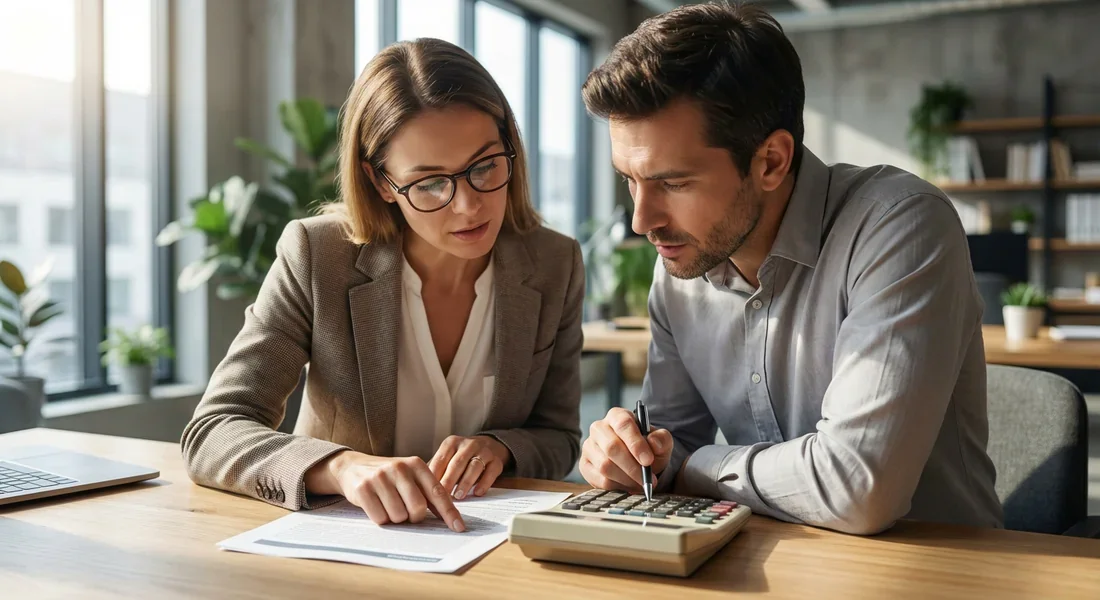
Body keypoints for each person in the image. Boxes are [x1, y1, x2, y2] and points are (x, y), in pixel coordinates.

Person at [578, 2, 1003, 535]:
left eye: (673, 182)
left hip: (938, 571)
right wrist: (629, 457)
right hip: (767, 561)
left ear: (771, 161)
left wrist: (692, 469)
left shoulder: (902, 225)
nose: (642, 221)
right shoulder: (683, 266)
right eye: (630, 180)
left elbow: (858, 487)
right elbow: (668, 448)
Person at [181, 38, 584, 533]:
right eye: (430, 183)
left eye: (484, 167)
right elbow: (213, 431)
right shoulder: (317, 255)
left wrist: (502, 448)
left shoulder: (554, 262)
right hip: (345, 546)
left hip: (486, 547)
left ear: (510, 150)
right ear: (381, 183)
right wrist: (342, 467)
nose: (468, 205)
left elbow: (559, 436)